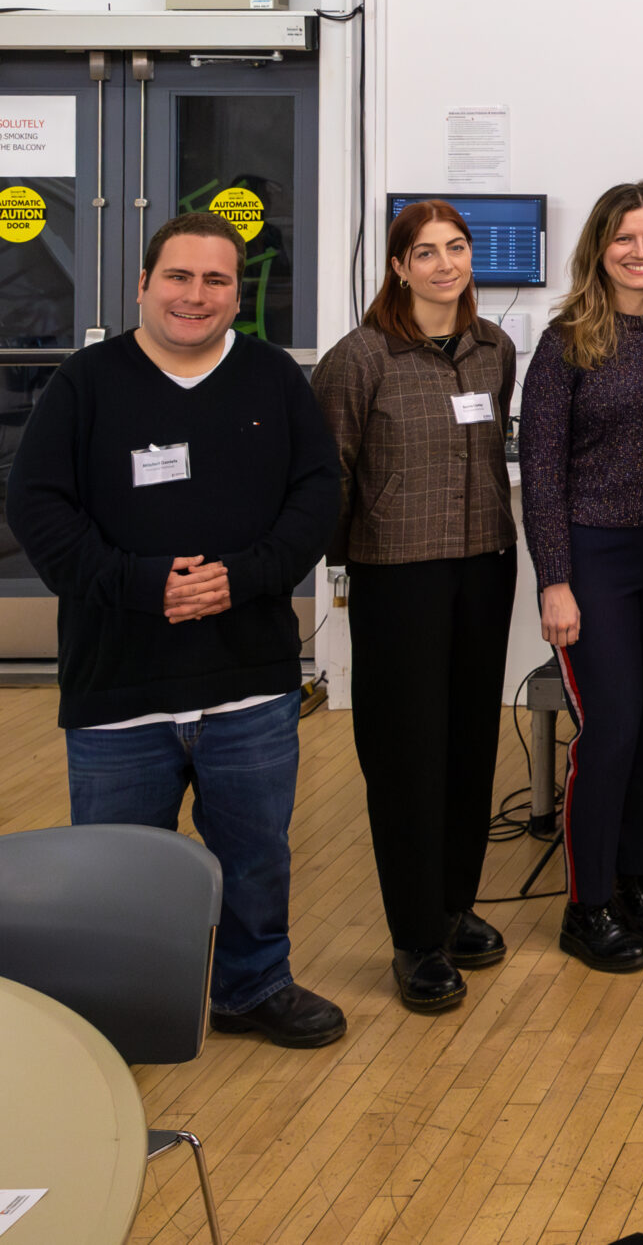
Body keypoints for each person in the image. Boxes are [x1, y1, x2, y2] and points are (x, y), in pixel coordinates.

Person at [6, 212, 346, 1048]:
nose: (196, 295)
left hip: (249, 671)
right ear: (144, 285)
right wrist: (143, 585)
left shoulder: (272, 378)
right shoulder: (85, 383)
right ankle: (120, 1009)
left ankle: (252, 985)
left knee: (255, 853)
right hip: (120, 677)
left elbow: (318, 497)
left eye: (217, 280)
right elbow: (37, 509)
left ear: (239, 295)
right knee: (122, 869)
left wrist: (244, 576)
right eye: (180, 277)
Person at [312, 199, 518, 1014]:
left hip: (484, 568)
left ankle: (454, 907)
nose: (444, 264)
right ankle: (414, 940)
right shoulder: (360, 358)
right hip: (398, 573)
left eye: (456, 248)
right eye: (425, 251)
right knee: (407, 756)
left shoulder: (494, 347)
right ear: (398, 265)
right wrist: (337, 570)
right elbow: (328, 474)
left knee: (471, 744)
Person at [521, 182, 643, 974]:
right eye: (625, 238)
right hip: (595, 554)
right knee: (614, 725)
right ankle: (585, 903)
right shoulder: (568, 342)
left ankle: (633, 880)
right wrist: (554, 579)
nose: (640, 251)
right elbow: (540, 470)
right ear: (599, 246)